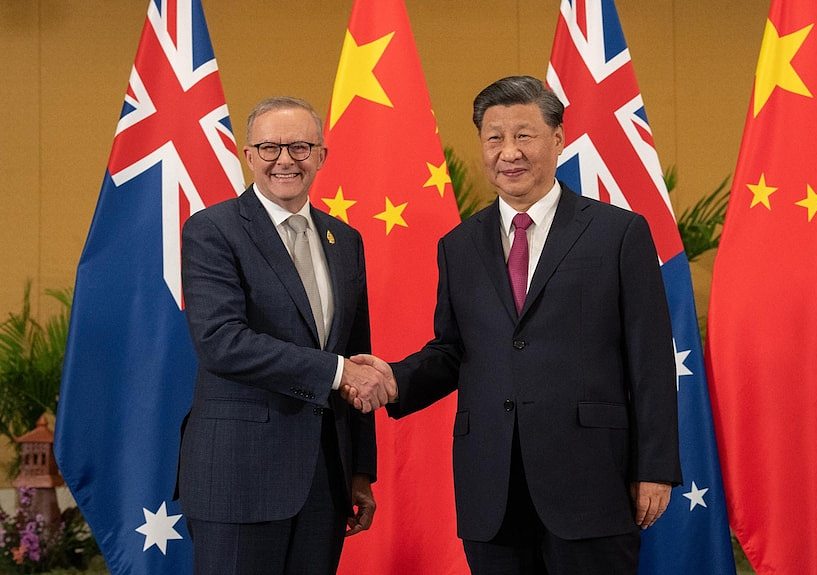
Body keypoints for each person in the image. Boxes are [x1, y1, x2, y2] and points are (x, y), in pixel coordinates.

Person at [349, 76, 682, 574]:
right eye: (494, 137)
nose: (510, 152)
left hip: (592, 478)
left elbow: (650, 360)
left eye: (524, 135)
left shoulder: (619, 234)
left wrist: (654, 469)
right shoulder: (459, 246)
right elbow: (452, 351)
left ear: (558, 139)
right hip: (492, 485)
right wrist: (395, 380)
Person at [176, 96, 395, 575]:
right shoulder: (213, 230)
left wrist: (359, 469)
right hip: (238, 477)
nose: (284, 160)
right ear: (249, 155)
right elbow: (221, 341)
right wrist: (337, 372)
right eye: (270, 147)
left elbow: (356, 354)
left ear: (321, 155)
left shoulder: (345, 240)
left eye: (299, 146)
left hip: (325, 479)